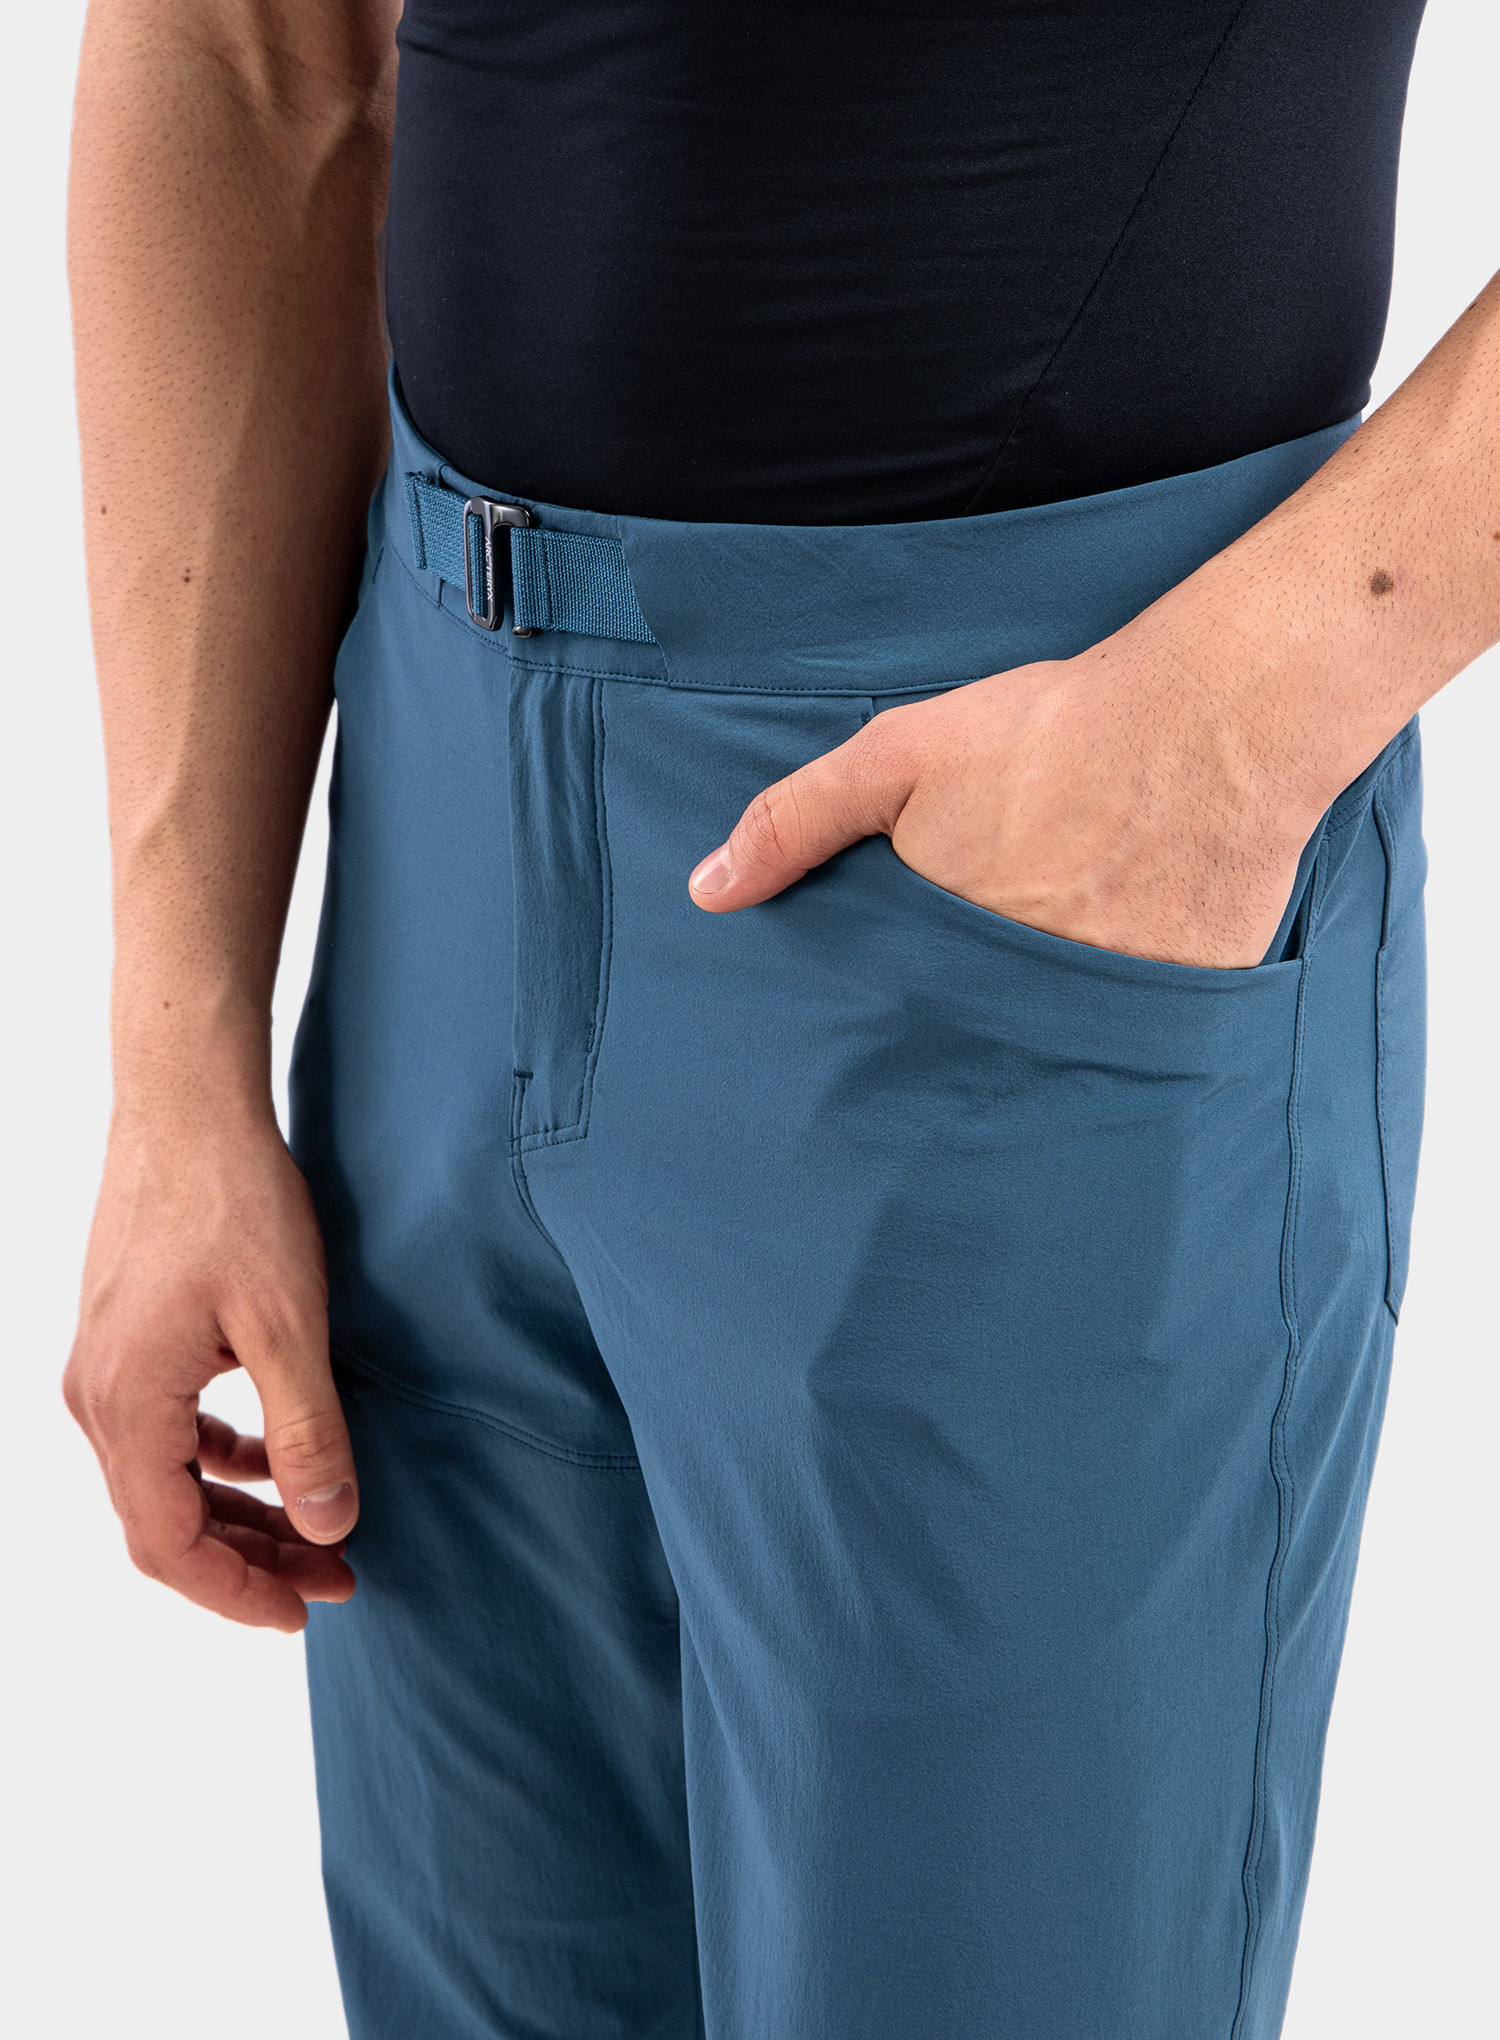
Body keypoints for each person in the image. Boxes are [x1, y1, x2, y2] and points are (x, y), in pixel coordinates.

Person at [60, 1, 1480, 2034]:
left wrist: (1224, 734)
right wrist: (177, 1051)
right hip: (439, 815)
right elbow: (248, 51)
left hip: (1011, 846)